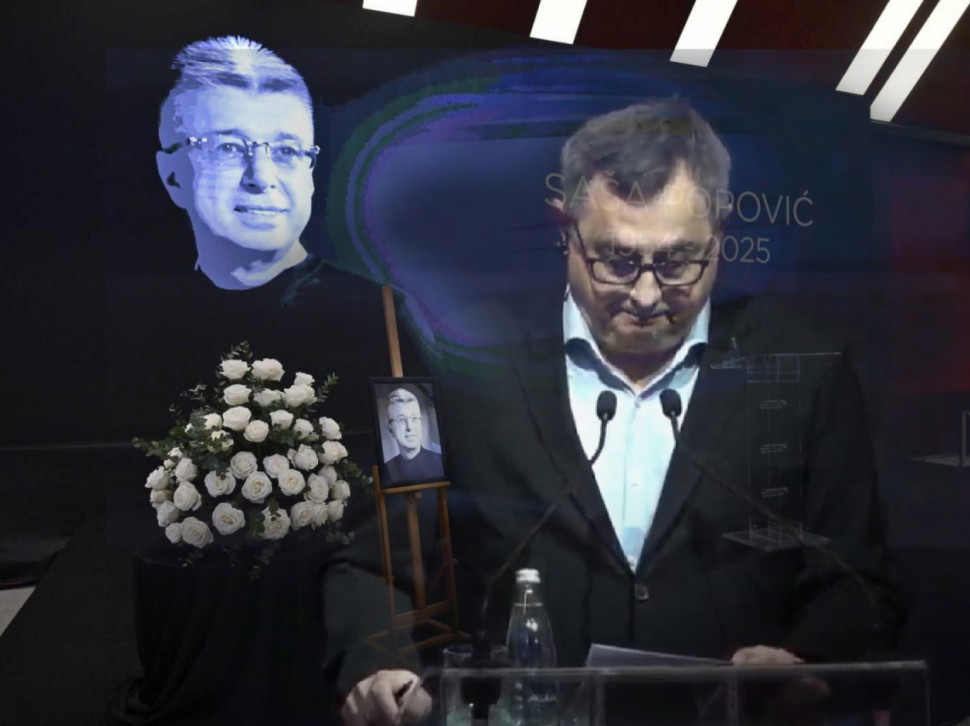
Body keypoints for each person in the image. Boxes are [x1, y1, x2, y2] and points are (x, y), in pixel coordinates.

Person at [324, 98, 903, 726]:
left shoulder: (807, 366)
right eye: (617, 260)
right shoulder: (456, 356)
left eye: (678, 261)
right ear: (565, 229)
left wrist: (808, 662)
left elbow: (858, 579)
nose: (647, 295)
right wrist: (378, 665)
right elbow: (376, 561)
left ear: (721, 235)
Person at [156, 36, 319, 291]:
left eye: (286, 151)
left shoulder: (369, 304)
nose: (262, 177)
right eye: (228, 148)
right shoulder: (143, 301)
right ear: (173, 177)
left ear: (309, 175)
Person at [382, 388, 444, 485]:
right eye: (401, 419)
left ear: (421, 423)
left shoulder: (440, 462)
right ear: (390, 429)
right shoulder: (385, 471)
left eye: (414, 418)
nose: (409, 427)